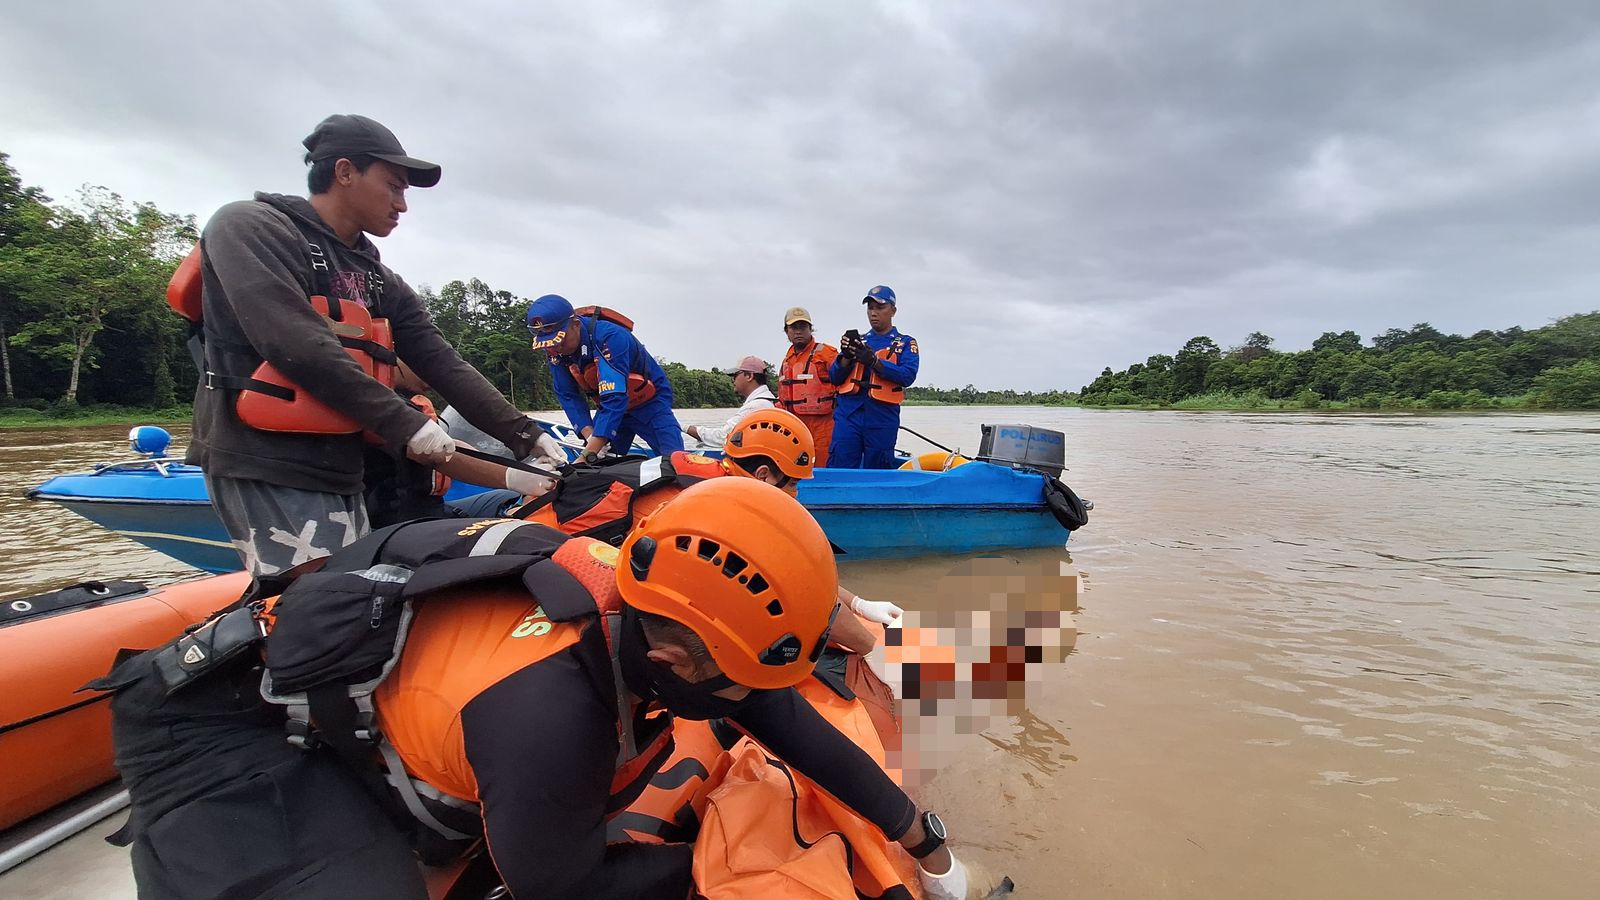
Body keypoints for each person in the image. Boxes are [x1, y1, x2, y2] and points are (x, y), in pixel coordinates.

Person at [101, 479, 1004, 899]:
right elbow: (559, 886)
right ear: (683, 661)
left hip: (374, 699)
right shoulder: (551, 715)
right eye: (743, 680)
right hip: (223, 741)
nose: (758, 698)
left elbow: (775, 716)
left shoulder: (655, 607)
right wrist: (739, 880)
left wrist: (918, 838)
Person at [185, 114, 540, 576]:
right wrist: (407, 424)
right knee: (315, 599)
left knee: (348, 593)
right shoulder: (250, 227)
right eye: (394, 186)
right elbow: (294, 342)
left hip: (340, 464)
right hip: (265, 459)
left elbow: (439, 359)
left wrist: (524, 435)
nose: (402, 205)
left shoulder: (376, 276)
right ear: (345, 172)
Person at [528, 293, 684, 461]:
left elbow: (615, 397)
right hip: (608, 410)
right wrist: (589, 435)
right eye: (550, 344)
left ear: (575, 325)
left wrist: (586, 456)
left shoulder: (610, 338)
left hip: (649, 402)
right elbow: (567, 394)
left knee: (676, 462)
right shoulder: (554, 351)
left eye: (560, 341)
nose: (556, 347)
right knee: (598, 465)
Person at [828, 284, 919, 469]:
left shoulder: (906, 343)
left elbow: (908, 376)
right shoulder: (859, 341)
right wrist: (845, 356)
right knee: (840, 464)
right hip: (849, 415)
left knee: (879, 468)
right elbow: (835, 378)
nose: (873, 313)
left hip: (882, 417)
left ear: (893, 310)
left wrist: (875, 362)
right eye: (870, 308)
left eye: (880, 307)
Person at [776, 306, 840, 466]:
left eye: (803, 327)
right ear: (786, 331)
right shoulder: (786, 360)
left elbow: (844, 381)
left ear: (810, 329)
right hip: (793, 428)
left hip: (823, 427)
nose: (798, 331)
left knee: (822, 467)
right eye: (794, 327)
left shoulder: (826, 353)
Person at [685, 354, 775, 447]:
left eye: (735, 375)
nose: (732, 380)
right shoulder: (767, 402)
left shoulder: (756, 406)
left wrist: (684, 427)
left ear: (749, 376)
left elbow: (723, 437)